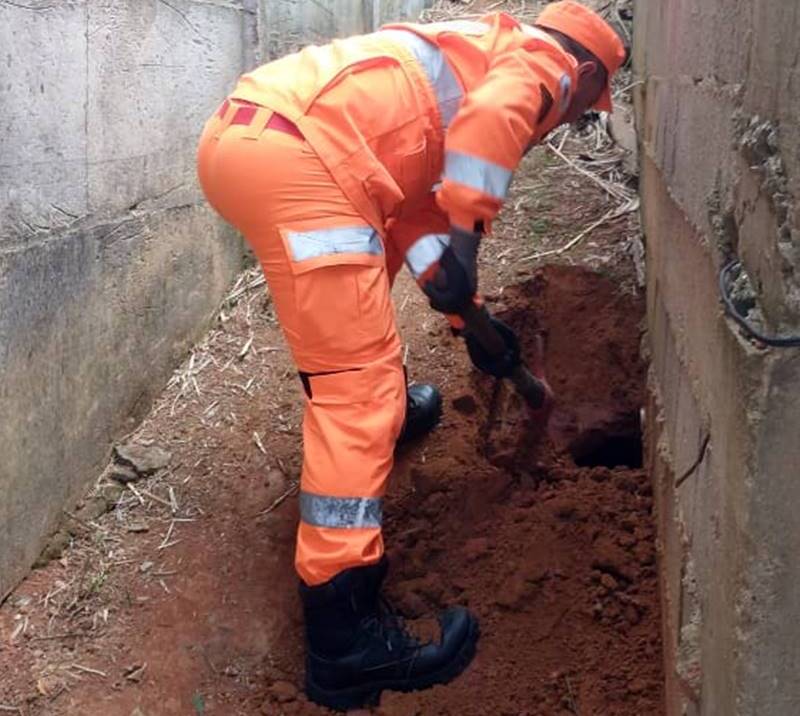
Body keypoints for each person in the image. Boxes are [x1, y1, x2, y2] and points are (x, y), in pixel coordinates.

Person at [196, 1, 626, 709]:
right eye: (583, 108)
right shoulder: (542, 64)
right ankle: (345, 644)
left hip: (253, 141)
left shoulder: (470, 55)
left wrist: (470, 317)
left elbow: (413, 215)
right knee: (354, 388)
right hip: (304, 161)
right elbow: (489, 135)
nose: (570, 122)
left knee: (355, 337)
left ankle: (385, 423)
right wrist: (468, 244)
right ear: (580, 73)